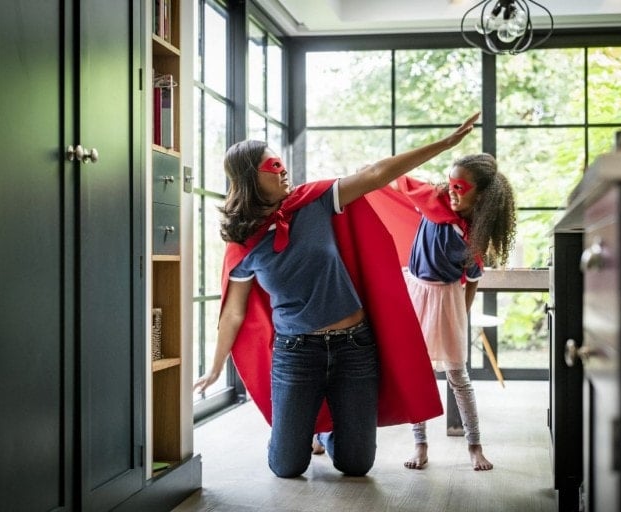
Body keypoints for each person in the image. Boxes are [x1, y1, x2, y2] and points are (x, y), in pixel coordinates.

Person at [192, 112, 482, 479]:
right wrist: (217, 367)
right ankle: (302, 433)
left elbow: (377, 174)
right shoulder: (244, 242)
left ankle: (326, 431)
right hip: (297, 354)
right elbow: (233, 314)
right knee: (287, 466)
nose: (283, 170)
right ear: (250, 176)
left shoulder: (313, 202)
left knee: (356, 464)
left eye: (281, 162)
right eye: (273, 165)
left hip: (354, 348)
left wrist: (444, 144)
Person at [367, 153, 517, 471]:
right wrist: (369, 174)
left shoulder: (475, 233)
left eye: (460, 187)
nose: (451, 191)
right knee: (414, 371)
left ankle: (474, 445)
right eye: (450, 183)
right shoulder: (435, 200)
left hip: (448, 298)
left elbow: (473, 278)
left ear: (482, 195)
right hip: (416, 290)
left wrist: (461, 313)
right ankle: (420, 444)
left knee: (457, 376)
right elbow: (401, 182)